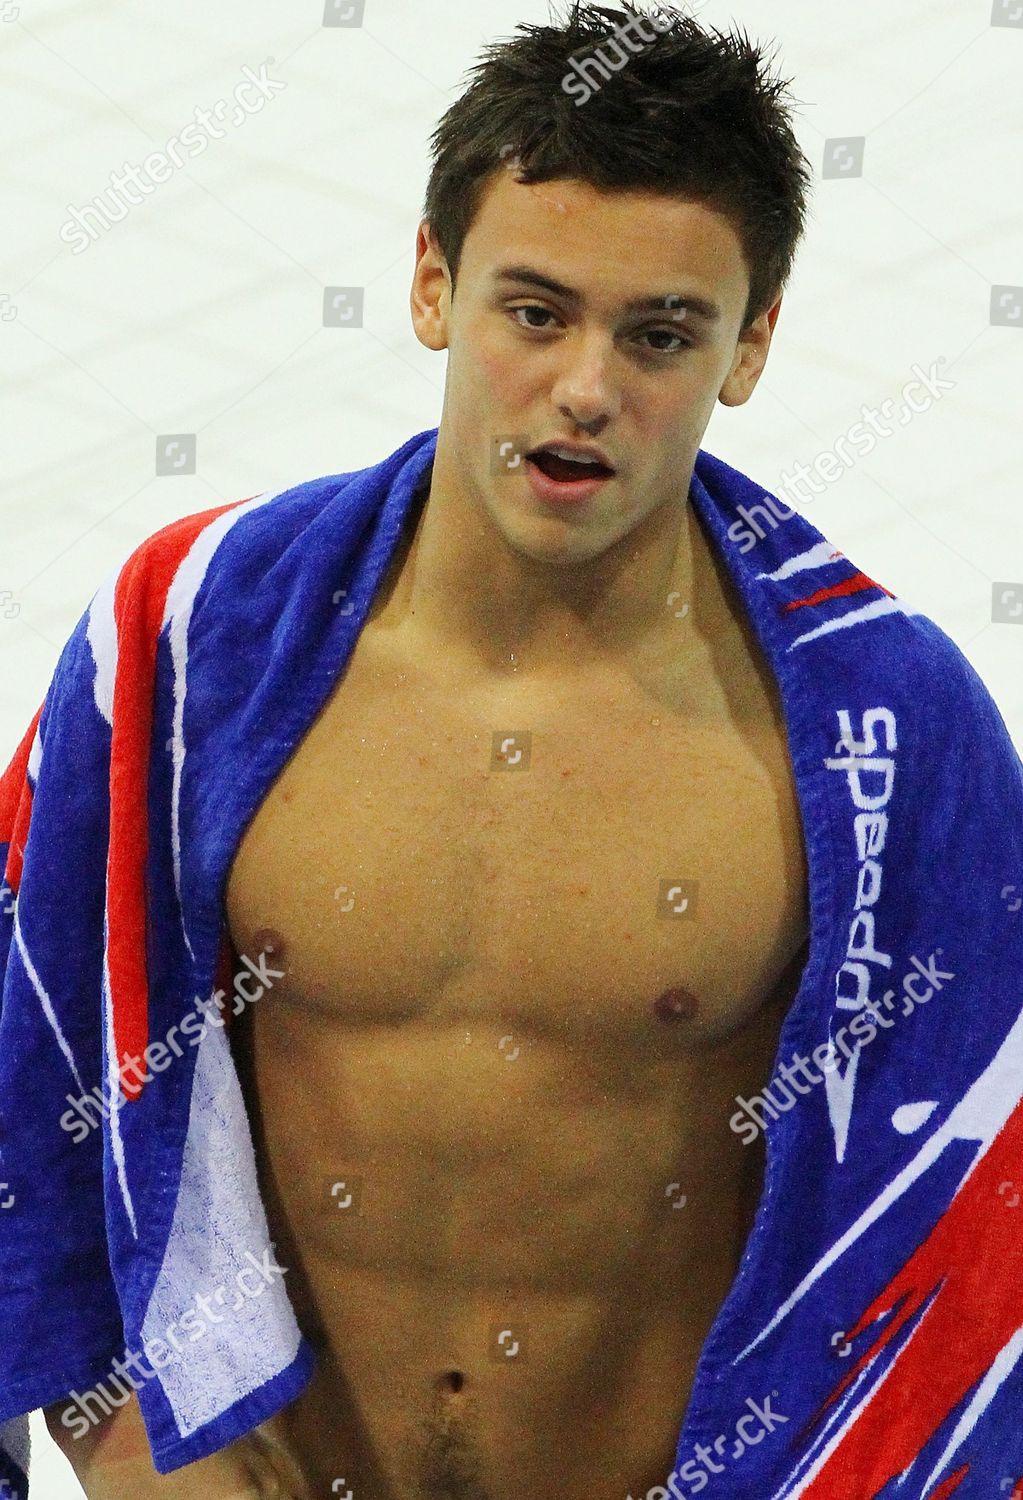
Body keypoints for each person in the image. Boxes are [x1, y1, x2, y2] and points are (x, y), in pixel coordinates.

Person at [11, 5, 1020, 1498]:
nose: (587, 389)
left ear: (752, 343)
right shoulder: (179, 648)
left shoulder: (896, 732)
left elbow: (976, 1247)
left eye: (660, 334)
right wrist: (153, 1469)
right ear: (433, 286)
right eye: (535, 311)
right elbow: (32, 1110)